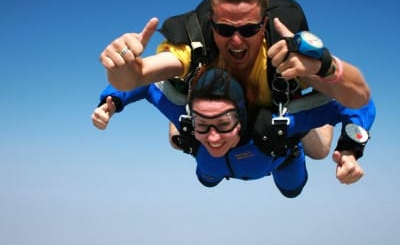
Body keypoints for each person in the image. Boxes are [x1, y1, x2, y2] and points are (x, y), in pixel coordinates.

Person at [98, 0, 371, 163]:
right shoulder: (198, 48)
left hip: (270, 116)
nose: (237, 40)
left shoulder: (286, 59)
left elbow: (359, 97)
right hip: (216, 120)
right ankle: (188, 102)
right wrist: (122, 67)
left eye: (249, 29)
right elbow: (137, 77)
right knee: (184, 140)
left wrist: (325, 68)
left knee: (318, 151)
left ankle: (293, 146)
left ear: (264, 26)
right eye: (225, 29)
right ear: (212, 25)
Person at [92, 67, 375, 188]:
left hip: (279, 154)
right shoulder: (191, 121)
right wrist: (112, 102)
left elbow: (358, 103)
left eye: (224, 125)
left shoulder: (276, 125)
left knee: (293, 186)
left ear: (240, 119)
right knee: (205, 173)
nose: (214, 136)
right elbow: (141, 81)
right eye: (206, 124)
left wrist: (349, 150)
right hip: (211, 159)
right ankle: (183, 114)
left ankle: (308, 117)